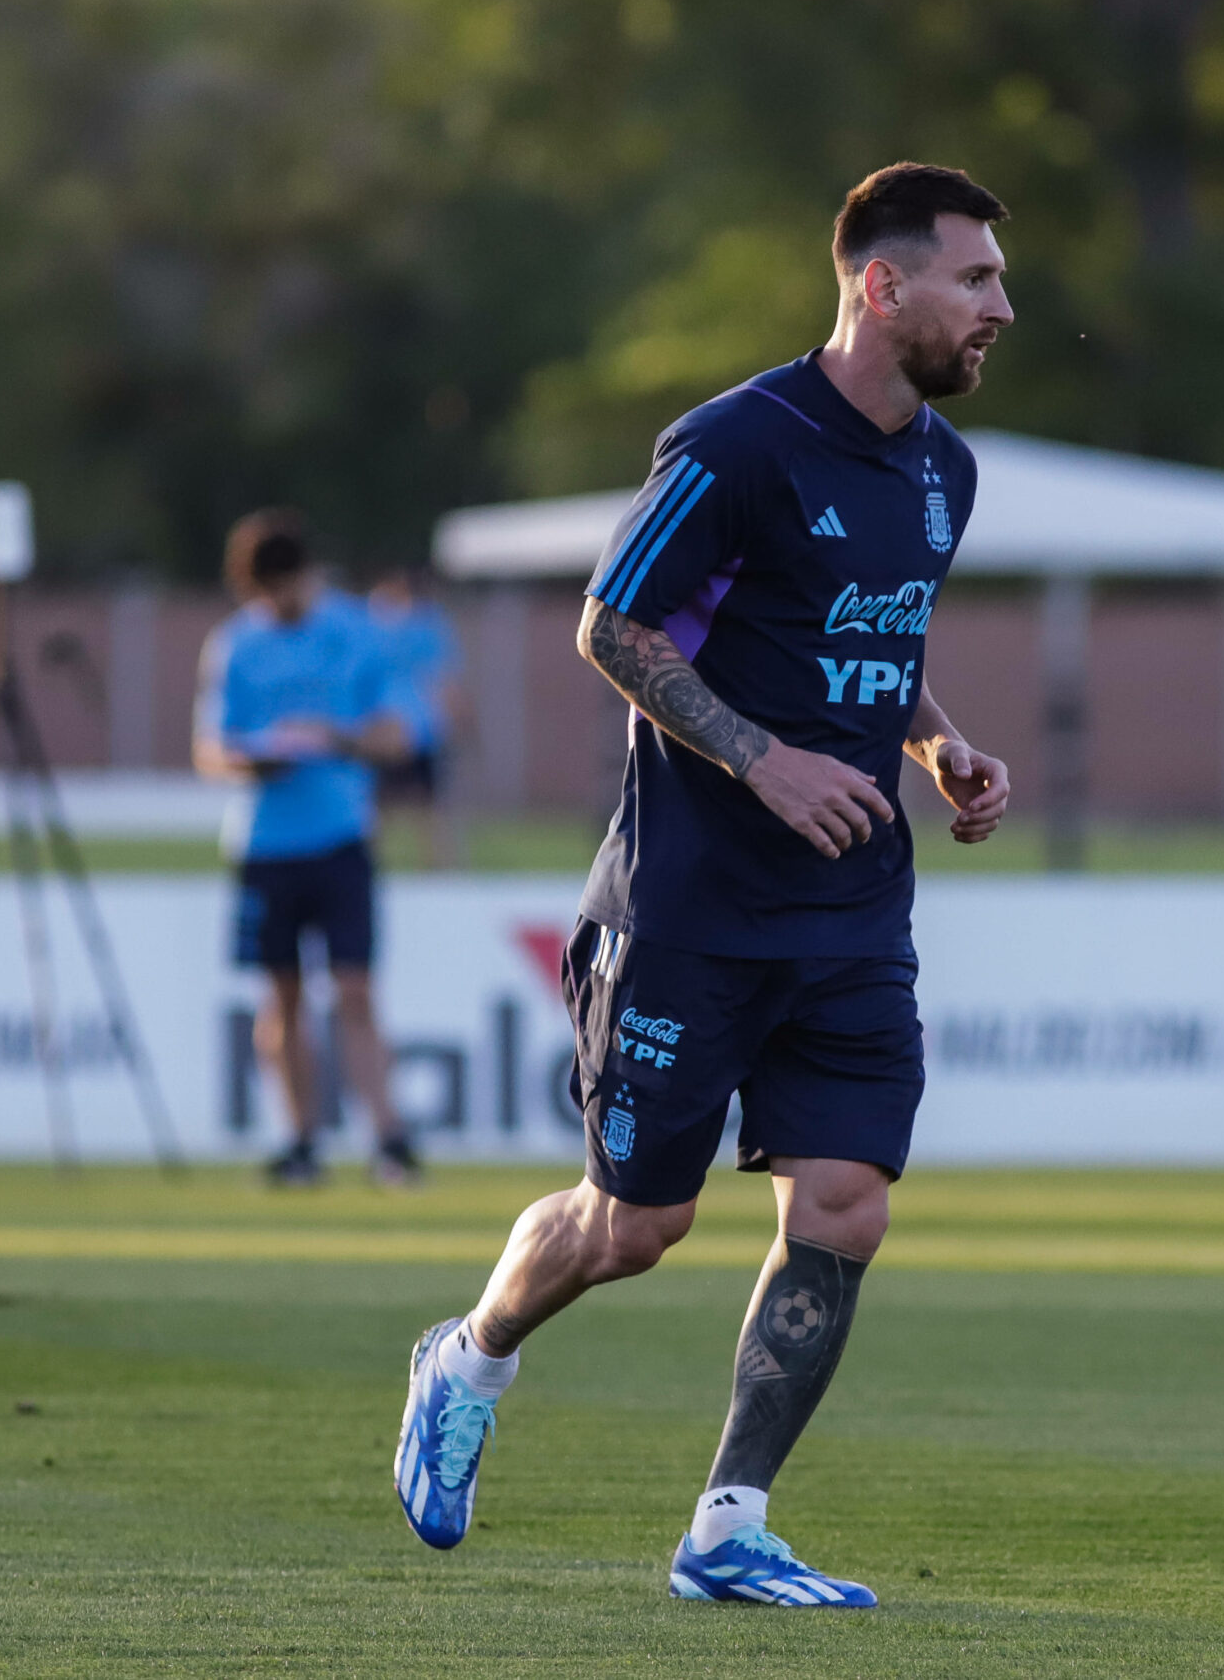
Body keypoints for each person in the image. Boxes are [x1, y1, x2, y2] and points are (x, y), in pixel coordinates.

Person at [394, 163, 1016, 1606]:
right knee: (637, 1224)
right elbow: (612, 625)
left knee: (846, 1203)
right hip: (687, 906)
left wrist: (936, 740)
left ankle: (727, 1524)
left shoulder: (944, 470)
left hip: (853, 909)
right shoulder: (740, 443)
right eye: (976, 279)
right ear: (883, 283)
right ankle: (471, 1351)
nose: (1002, 306)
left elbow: (866, 631)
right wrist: (763, 760)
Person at [194, 509, 429, 1188]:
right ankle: (299, 1140)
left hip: (340, 837)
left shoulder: (356, 632)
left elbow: (399, 735)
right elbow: (211, 750)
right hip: (264, 844)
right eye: (264, 593)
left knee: (355, 989)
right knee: (282, 995)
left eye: (286, 587)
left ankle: (389, 1138)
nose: (278, 603)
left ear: (307, 574)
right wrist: (255, 760)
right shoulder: (234, 644)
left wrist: (336, 738)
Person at [366, 566, 466, 865]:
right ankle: (440, 869)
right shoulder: (428, 623)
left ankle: (435, 867)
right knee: (428, 808)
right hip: (406, 729)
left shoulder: (373, 624)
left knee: (410, 809)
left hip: (396, 729)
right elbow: (446, 682)